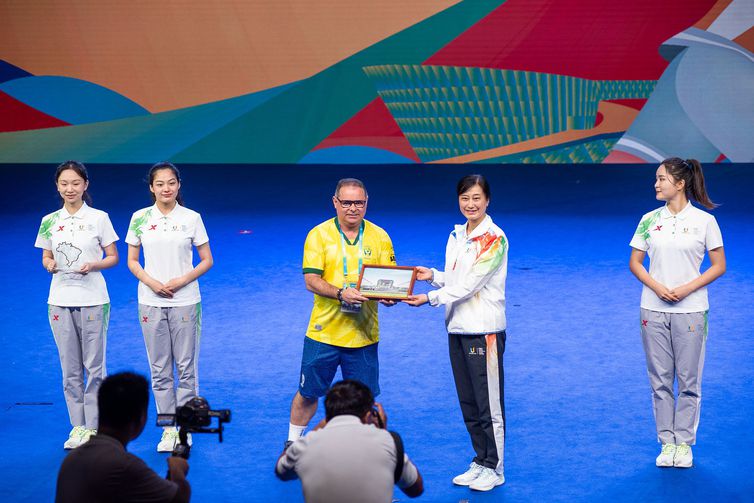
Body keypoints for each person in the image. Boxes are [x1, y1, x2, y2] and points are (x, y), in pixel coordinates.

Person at [404, 174, 508, 492]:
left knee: (488, 403)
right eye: (465, 198)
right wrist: (432, 275)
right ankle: (480, 459)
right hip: (457, 327)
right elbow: (456, 276)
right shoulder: (457, 234)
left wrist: (429, 298)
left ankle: (495, 467)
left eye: (476, 198)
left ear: (487, 200)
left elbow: (470, 284)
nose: (470, 204)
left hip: (484, 330)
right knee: (468, 400)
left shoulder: (495, 238)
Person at [629, 157, 725, 468]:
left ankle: (684, 443)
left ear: (680, 184)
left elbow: (719, 266)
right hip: (652, 309)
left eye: (661, 179)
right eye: (656, 179)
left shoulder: (705, 222)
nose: (655, 184)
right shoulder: (648, 219)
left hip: (692, 310)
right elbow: (635, 263)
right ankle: (666, 441)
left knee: (688, 379)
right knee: (659, 378)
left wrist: (686, 289)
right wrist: (657, 287)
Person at [287, 178, 398, 443]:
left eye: (358, 202)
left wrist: (389, 296)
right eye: (346, 202)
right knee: (308, 393)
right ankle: (292, 443)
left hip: (363, 335)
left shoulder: (379, 236)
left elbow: (390, 279)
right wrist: (340, 293)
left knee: (365, 400)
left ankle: (366, 448)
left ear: (366, 203)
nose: (352, 208)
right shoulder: (319, 235)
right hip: (323, 333)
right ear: (335, 202)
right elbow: (311, 280)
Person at [126, 162, 214, 452]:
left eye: (171, 183)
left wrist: (182, 279)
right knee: (160, 369)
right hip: (150, 301)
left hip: (185, 300)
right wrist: (151, 282)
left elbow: (206, 259)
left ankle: (185, 427)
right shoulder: (139, 218)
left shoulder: (191, 218)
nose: (166, 188)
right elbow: (132, 261)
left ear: (179, 185)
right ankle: (168, 429)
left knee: (186, 368)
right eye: (160, 184)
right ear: (151, 187)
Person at [34, 161, 119, 449]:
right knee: (69, 368)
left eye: (75, 183)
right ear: (57, 186)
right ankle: (78, 426)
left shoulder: (99, 218)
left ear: (85, 185)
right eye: (64, 184)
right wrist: (49, 265)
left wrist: (93, 265)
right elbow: (45, 257)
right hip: (59, 301)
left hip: (93, 299)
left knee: (94, 366)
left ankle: (94, 427)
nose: (70, 189)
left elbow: (113, 257)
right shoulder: (49, 220)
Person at [276, 379, 423, 503]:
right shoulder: (388, 442)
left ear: (327, 416)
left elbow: (281, 471)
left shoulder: (305, 445)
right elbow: (416, 490)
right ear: (369, 415)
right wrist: (382, 432)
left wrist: (316, 429)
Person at [56, 372, 191, 503]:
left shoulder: (70, 460)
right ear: (141, 419)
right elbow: (179, 498)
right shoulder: (126, 466)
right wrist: (177, 470)